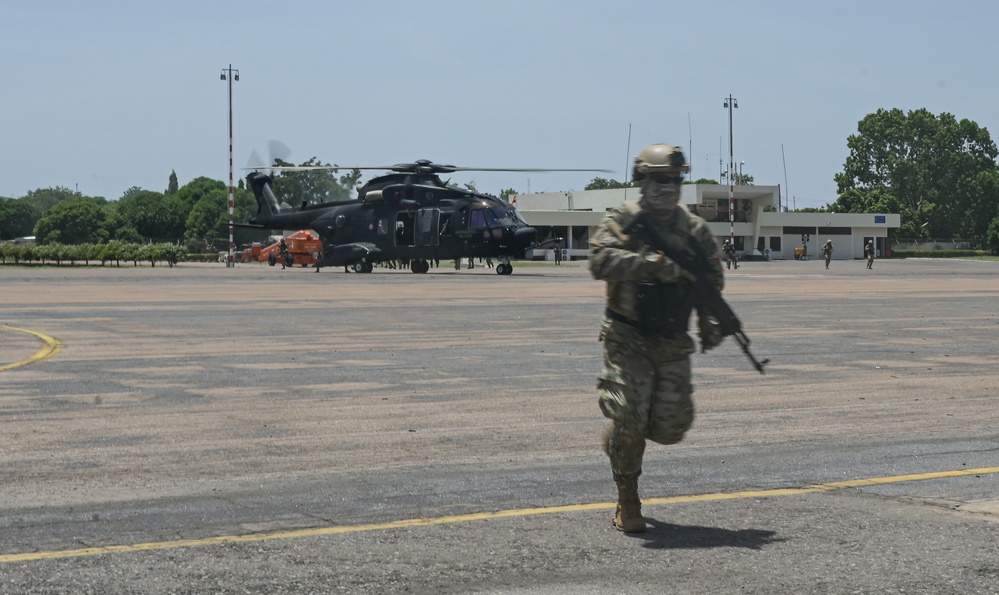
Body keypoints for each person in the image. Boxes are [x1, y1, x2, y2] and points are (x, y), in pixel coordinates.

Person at [589, 144, 725, 533]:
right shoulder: (622, 219)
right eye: (660, 179)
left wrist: (711, 321)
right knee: (632, 418)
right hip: (627, 336)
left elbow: (711, 280)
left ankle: (618, 437)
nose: (668, 187)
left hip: (671, 341)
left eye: (675, 179)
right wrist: (650, 265)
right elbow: (599, 260)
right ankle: (627, 497)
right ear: (643, 180)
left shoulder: (694, 229)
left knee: (670, 427)